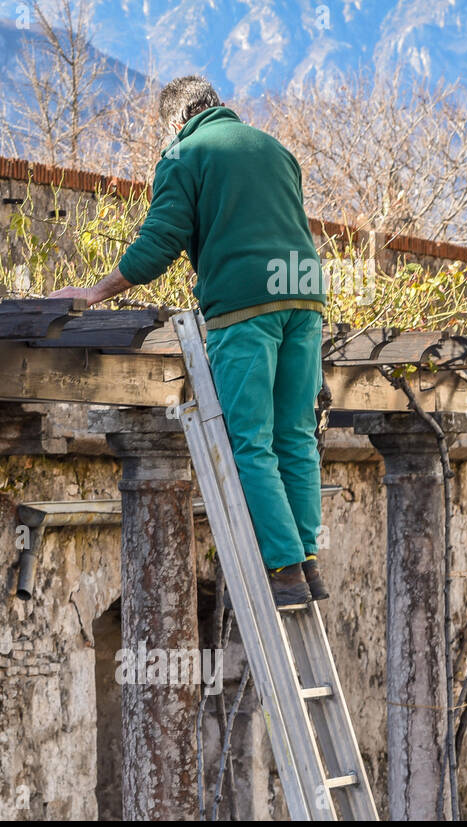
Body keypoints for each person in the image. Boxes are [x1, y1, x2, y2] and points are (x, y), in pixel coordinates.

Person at [53, 75, 327, 606]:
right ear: (216, 106)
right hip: (306, 293)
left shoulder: (184, 152)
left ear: (176, 120)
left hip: (246, 305)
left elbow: (158, 245)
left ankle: (285, 572)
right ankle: (309, 563)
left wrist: (95, 292)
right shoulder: (276, 149)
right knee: (295, 435)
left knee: (250, 441)